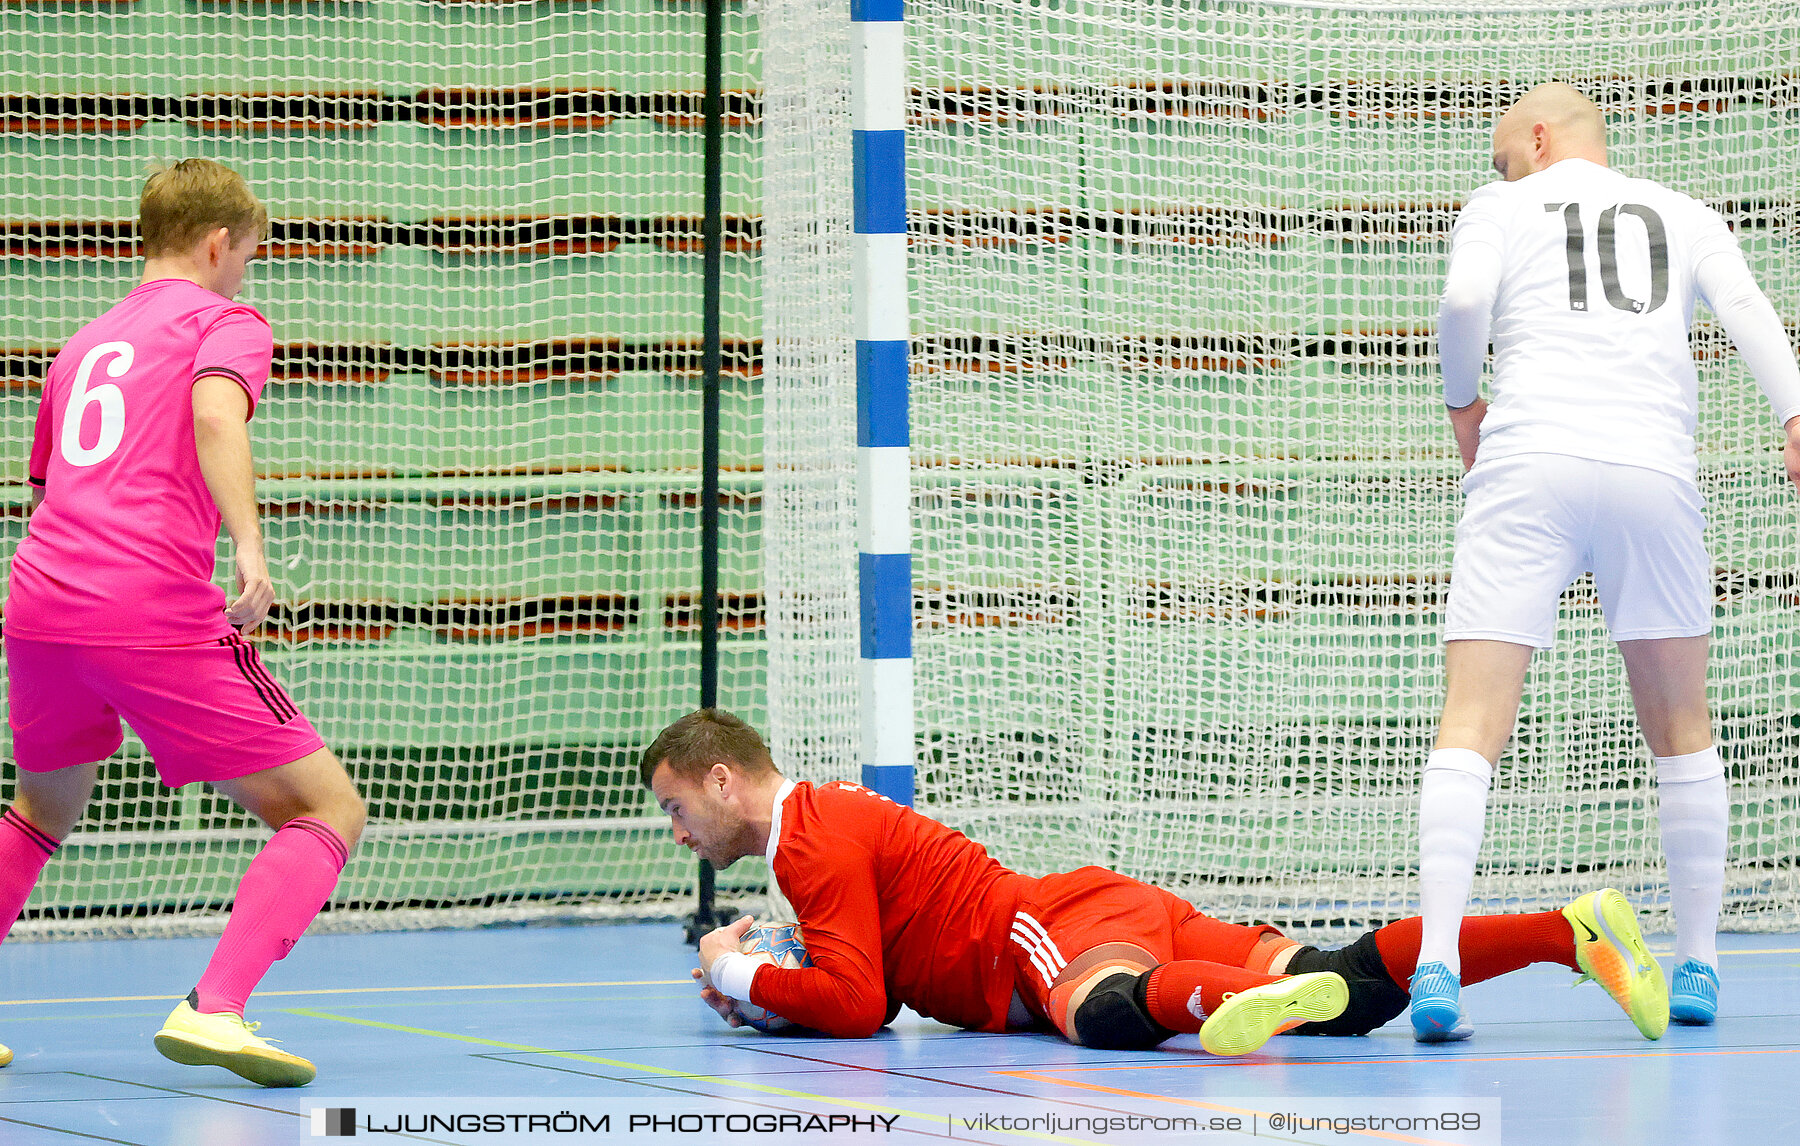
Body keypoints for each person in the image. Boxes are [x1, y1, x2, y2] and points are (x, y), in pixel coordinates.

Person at [1419, 82, 1800, 1040]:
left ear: (1539, 139)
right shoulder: (1683, 210)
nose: (1497, 170)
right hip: (1651, 466)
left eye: (1503, 153)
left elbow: (1465, 299)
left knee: (1471, 717)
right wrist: (1795, 415)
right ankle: (1701, 961)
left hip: (1530, 460)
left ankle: (1436, 964)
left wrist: (1464, 400)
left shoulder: (1502, 205)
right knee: (1681, 723)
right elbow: (1751, 311)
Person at [644, 709, 1666, 1054]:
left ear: (723, 777)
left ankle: (1247, 1002)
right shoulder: (822, 820)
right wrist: (772, 976)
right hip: (1108, 906)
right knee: (1346, 990)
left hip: (1041, 933)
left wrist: (733, 973)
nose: (680, 831)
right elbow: (847, 972)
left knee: (1100, 1012)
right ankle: (1568, 931)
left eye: (678, 806)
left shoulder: (806, 841)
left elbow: (859, 1006)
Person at [0, 159, 366, 1087]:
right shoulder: (224, 320)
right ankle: (217, 1009)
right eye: (249, 254)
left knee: (40, 809)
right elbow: (214, 415)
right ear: (218, 243)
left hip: (40, 600)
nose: (248, 271)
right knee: (328, 807)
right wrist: (248, 544)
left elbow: (44, 487)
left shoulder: (84, 344)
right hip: (147, 606)